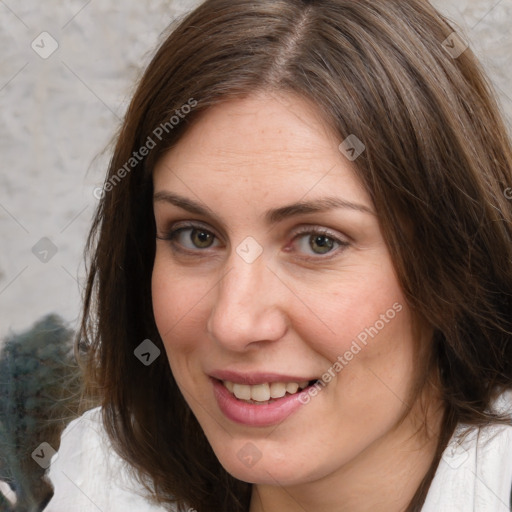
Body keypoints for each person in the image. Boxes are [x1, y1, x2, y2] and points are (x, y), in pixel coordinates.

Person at [43, 0, 512, 511]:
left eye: (318, 242)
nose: (233, 323)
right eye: (195, 236)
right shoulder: (102, 483)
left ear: (456, 259)